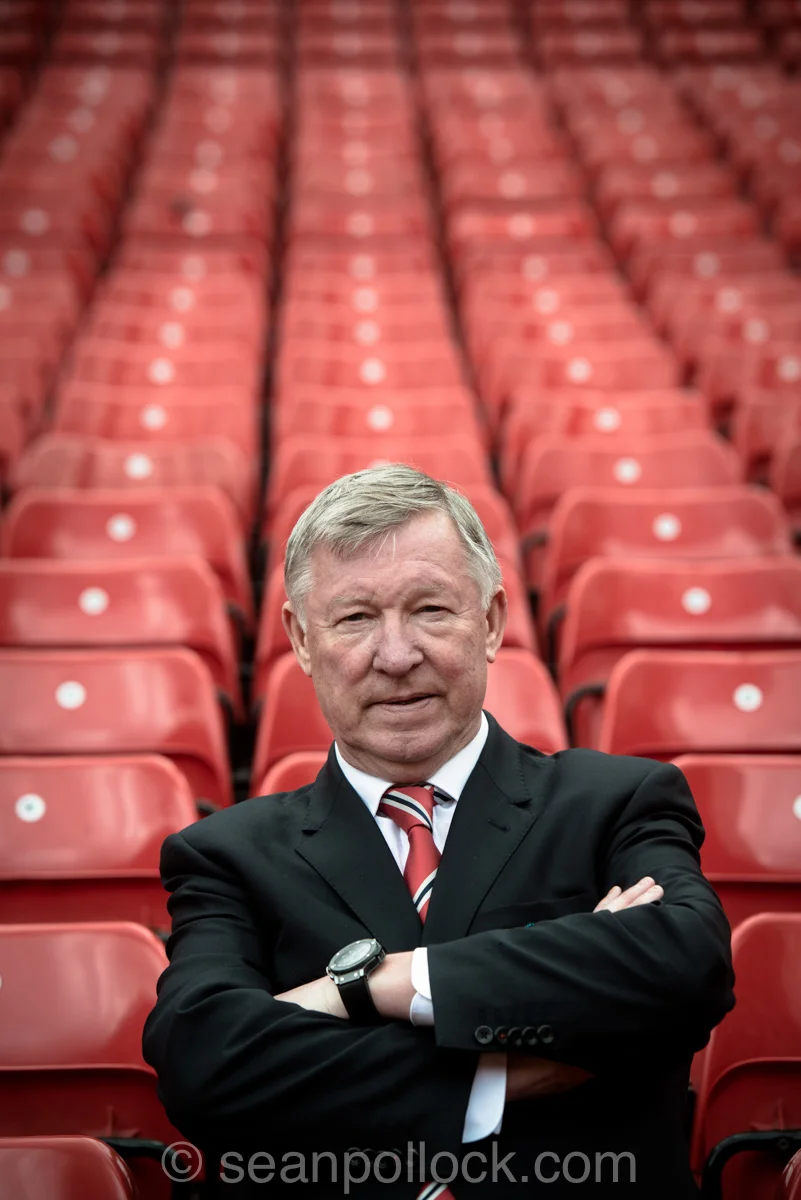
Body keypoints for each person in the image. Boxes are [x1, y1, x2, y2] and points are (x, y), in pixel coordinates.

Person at [143, 464, 735, 1197]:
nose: (396, 656)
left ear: (490, 622)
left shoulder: (616, 802)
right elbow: (203, 1061)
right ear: (301, 640)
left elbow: (684, 964)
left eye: (429, 609)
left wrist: (366, 987)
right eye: (355, 618)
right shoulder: (224, 856)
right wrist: (496, 1074)